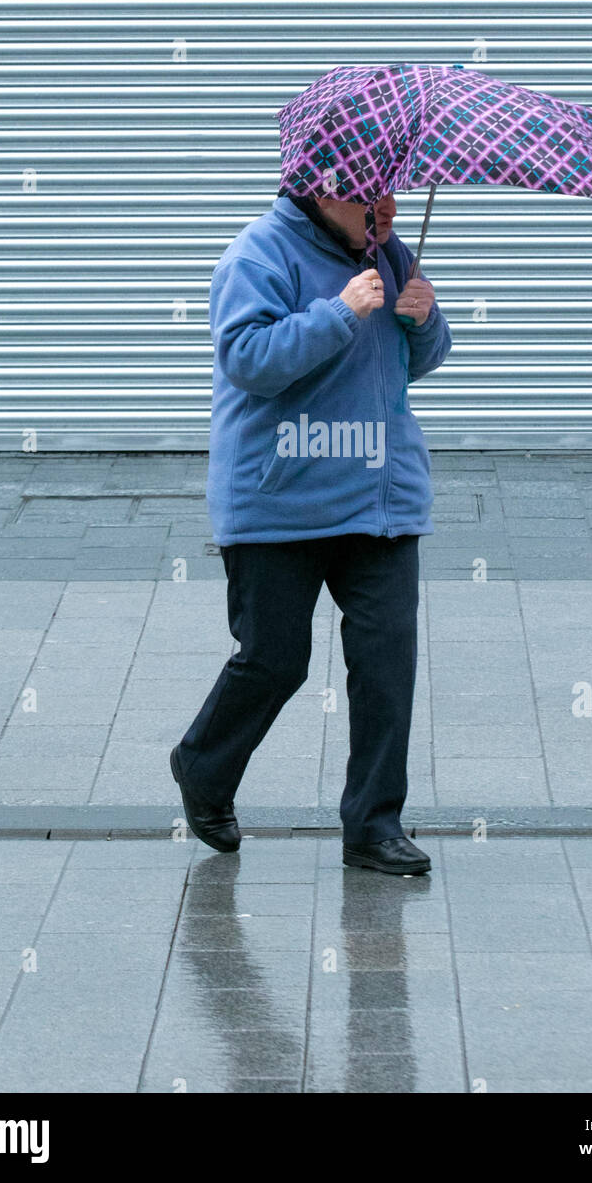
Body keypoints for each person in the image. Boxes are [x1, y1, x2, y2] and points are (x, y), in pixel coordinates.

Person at [170, 188, 452, 875]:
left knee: (387, 666)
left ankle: (374, 826)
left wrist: (424, 321)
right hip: (279, 501)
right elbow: (248, 360)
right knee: (274, 660)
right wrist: (338, 312)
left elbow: (412, 363)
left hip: (378, 497)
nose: (384, 208)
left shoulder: (390, 254)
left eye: (391, 193)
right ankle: (202, 765)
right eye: (367, 197)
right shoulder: (258, 254)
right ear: (325, 190)